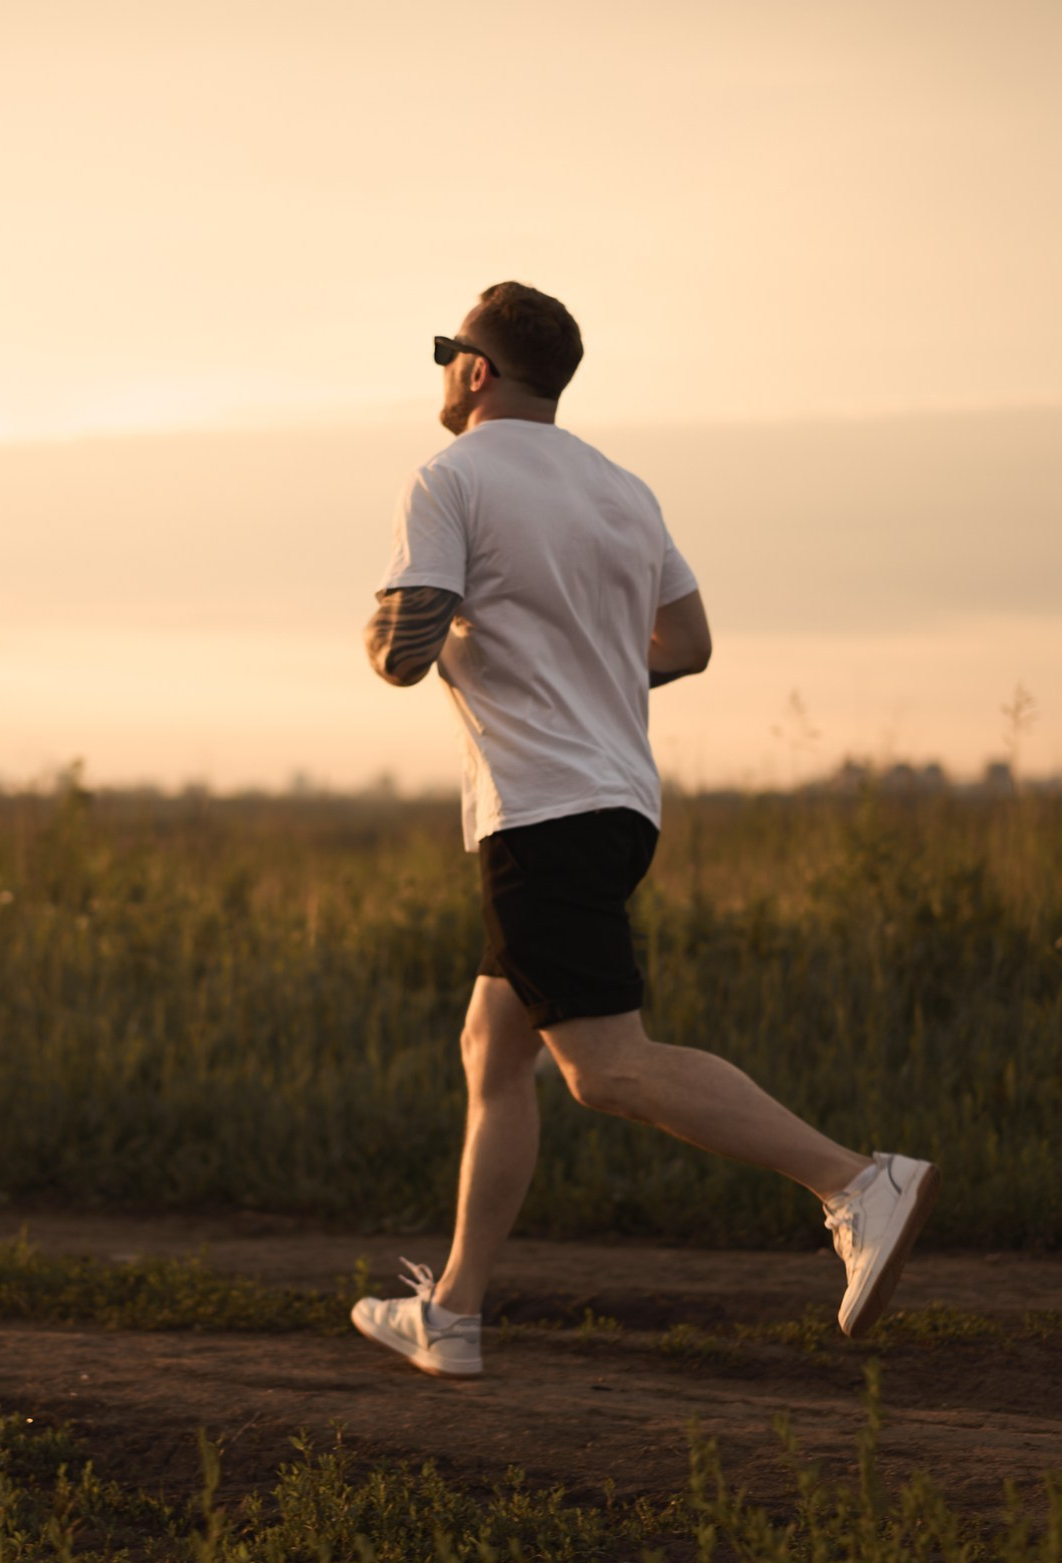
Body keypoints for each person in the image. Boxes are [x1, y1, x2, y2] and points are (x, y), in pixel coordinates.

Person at [351, 281, 937, 1380]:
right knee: (494, 1047)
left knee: (604, 1068)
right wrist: (587, 670)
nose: (441, 369)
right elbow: (691, 640)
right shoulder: (620, 488)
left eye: (445, 352)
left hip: (543, 810)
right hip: (620, 801)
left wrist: (387, 627)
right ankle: (455, 1313)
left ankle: (857, 1182)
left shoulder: (448, 477)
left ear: (476, 370)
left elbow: (402, 650)